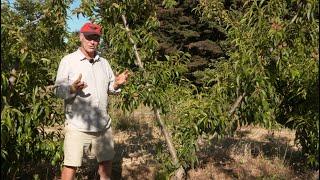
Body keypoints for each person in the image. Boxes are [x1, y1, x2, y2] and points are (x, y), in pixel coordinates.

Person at [54, 22, 130, 180]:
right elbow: (58, 91)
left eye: (95, 38)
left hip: (103, 125)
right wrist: (72, 89)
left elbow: (109, 88)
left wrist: (116, 83)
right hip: (77, 125)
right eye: (89, 37)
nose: (92, 42)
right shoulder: (68, 61)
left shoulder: (104, 63)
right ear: (81, 37)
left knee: (106, 165)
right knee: (70, 165)